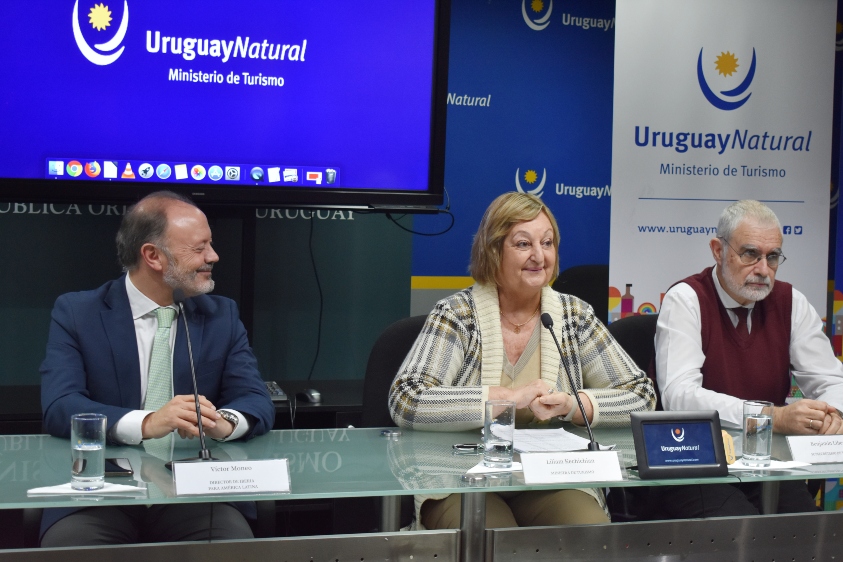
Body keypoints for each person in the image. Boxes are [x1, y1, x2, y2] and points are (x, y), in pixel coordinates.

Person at [389, 191, 656, 529]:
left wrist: (574, 405)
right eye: (523, 244)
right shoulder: (457, 314)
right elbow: (407, 398)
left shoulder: (574, 315)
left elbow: (642, 395)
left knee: (591, 534)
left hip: (552, 475)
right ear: (493, 249)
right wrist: (506, 399)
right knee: (495, 542)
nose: (538, 256)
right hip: (464, 475)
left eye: (547, 243)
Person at [39, 191, 275, 546]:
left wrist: (223, 422)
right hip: (100, 490)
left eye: (210, 244)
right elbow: (60, 405)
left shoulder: (220, 315)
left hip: (195, 492)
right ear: (152, 255)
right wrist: (148, 423)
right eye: (199, 248)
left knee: (230, 544)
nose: (213, 256)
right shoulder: (77, 312)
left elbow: (254, 399)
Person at [654, 199, 843, 517]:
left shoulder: (789, 301)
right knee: (742, 533)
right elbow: (679, 397)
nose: (763, 270)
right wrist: (772, 417)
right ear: (717, 250)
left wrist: (833, 413)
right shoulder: (686, 299)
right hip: (692, 460)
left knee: (805, 531)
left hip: (765, 463)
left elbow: (830, 379)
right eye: (750, 254)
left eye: (772, 257)